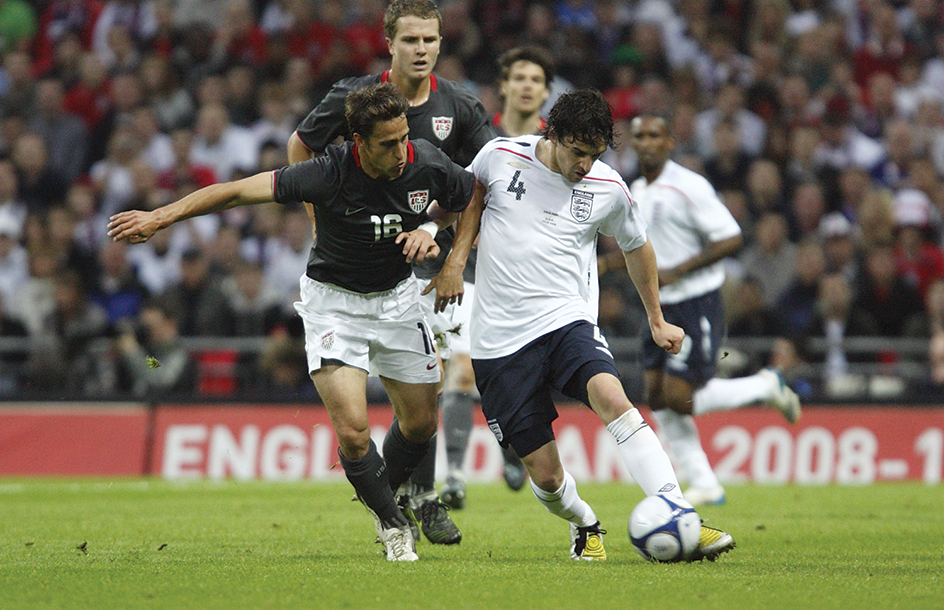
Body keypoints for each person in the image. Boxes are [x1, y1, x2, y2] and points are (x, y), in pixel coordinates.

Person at [109, 83, 476, 562]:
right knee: (353, 433)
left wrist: (445, 254)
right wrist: (161, 216)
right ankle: (392, 523)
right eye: (387, 143)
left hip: (398, 302)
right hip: (334, 306)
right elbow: (237, 192)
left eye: (403, 136)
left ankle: (385, 492)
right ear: (358, 142)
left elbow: (467, 198)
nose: (400, 151)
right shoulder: (326, 173)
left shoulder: (424, 159)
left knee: (423, 423)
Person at [425, 89, 735, 561]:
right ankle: (584, 522)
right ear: (552, 134)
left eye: (594, 154)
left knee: (614, 398)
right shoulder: (500, 156)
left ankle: (680, 512)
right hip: (499, 342)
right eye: (577, 152)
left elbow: (637, 246)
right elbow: (467, 203)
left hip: (566, 321)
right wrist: (443, 251)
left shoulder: (609, 187)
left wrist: (656, 318)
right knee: (546, 477)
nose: (585, 165)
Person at [286, 0, 493, 542]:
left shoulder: (462, 108)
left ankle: (414, 497)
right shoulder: (355, 100)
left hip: (432, 265)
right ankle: (411, 501)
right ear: (390, 44)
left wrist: (449, 252)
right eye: (410, 41)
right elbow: (300, 148)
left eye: (429, 40)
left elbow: (482, 183)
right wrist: (317, 221)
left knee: (436, 381)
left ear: (441, 44)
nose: (420, 49)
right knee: (422, 386)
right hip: (365, 261)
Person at [625, 113, 801, 507]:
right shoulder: (637, 189)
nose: (647, 142)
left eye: (655, 135)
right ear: (633, 143)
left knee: (680, 395)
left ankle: (764, 386)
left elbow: (731, 237)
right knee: (654, 395)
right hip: (658, 304)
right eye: (640, 136)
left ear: (670, 142)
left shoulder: (689, 186)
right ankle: (705, 482)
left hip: (695, 301)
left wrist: (680, 269)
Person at [439, 45, 558, 510]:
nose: (527, 86)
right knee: (463, 372)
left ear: (546, 92)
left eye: (537, 79)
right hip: (473, 274)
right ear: (504, 86)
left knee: (512, 382)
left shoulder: (557, 147)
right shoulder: (479, 139)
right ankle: (452, 476)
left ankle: (512, 451)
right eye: (519, 77)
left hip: (531, 283)